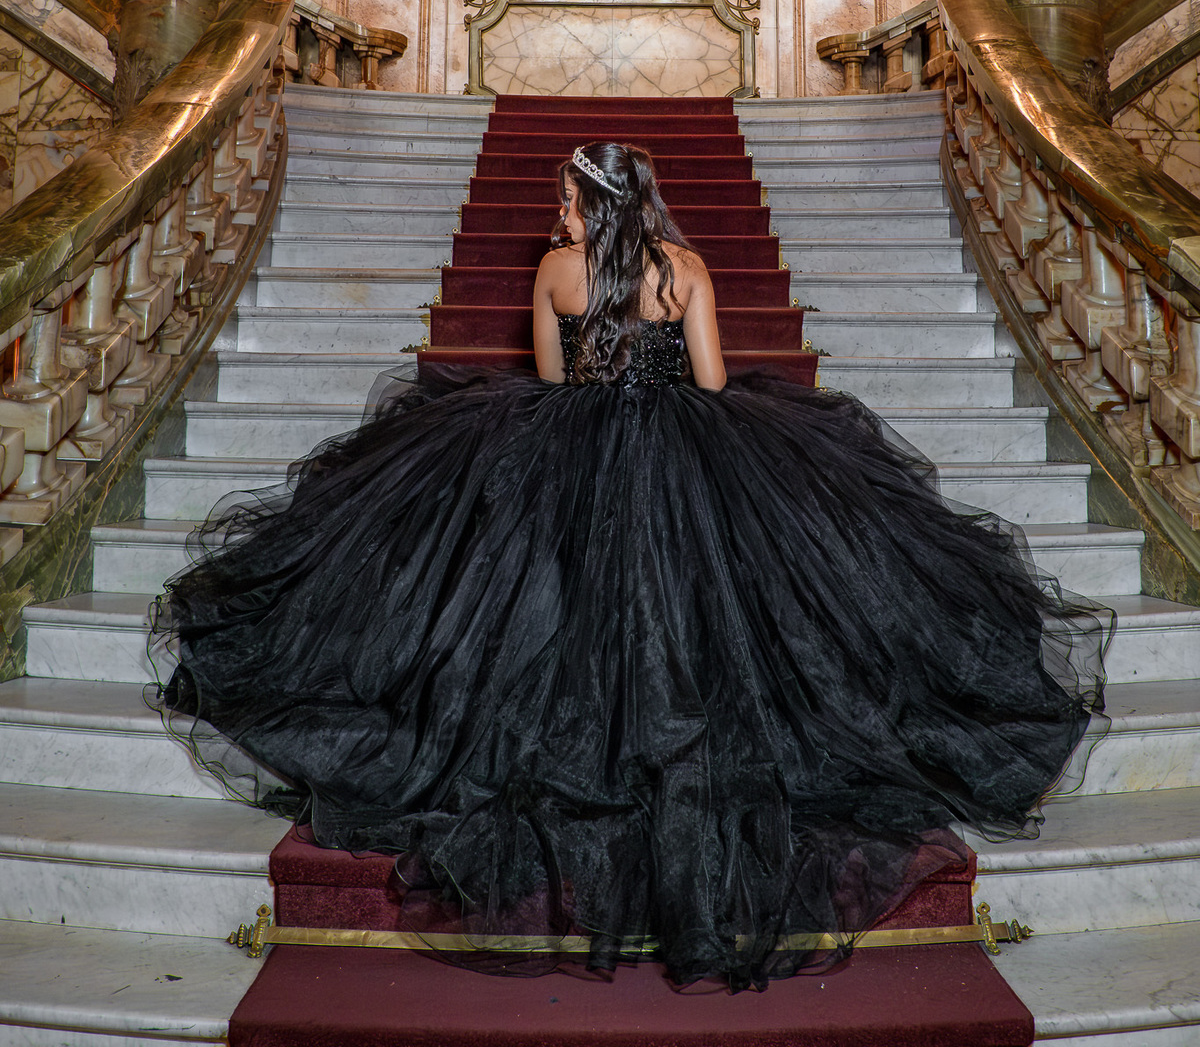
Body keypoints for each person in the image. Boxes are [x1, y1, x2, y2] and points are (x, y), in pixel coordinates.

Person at [149, 141, 1110, 993]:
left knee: (549, 608)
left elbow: (552, 377)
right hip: (683, 446)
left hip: (570, 449)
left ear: (591, 202)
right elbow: (714, 382)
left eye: (566, 199)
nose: (557, 213)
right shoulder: (685, 267)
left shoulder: (557, 272)